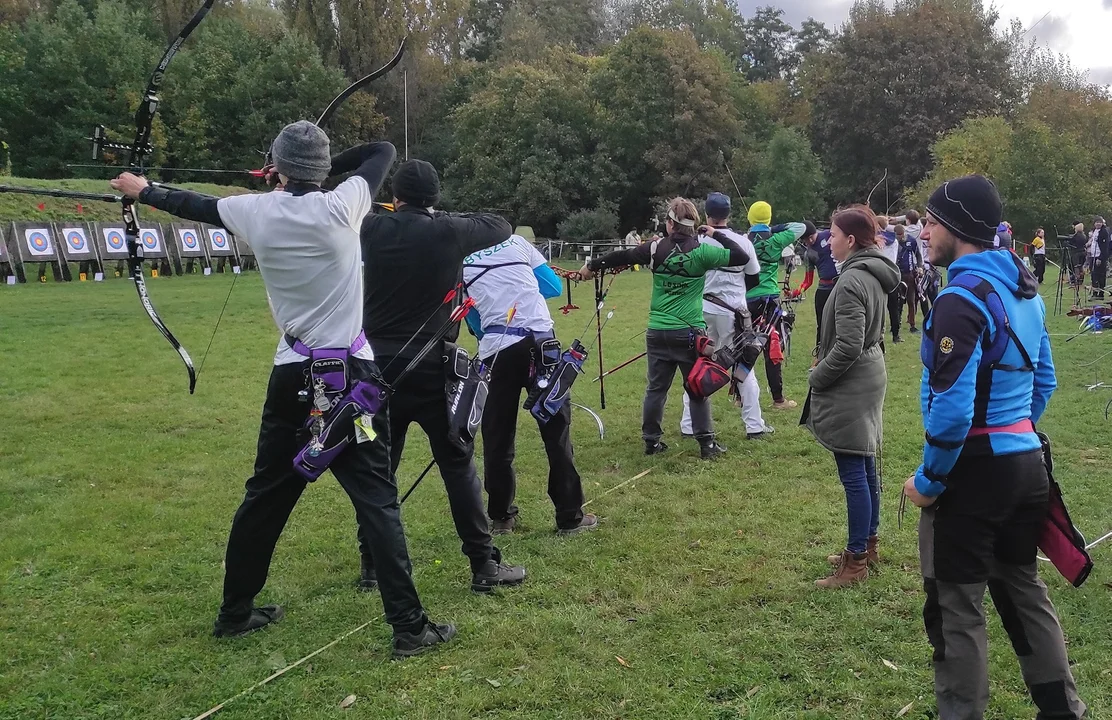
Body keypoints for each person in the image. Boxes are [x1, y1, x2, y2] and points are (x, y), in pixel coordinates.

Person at [109, 122, 454, 656]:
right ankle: (409, 628)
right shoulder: (344, 203)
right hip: (350, 380)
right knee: (377, 502)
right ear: (320, 170)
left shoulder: (254, 211)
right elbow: (383, 151)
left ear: (278, 167)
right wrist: (323, 168)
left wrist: (142, 191)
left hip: (291, 375)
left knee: (266, 496)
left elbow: (192, 204)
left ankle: (235, 612)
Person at [903, 174, 1086, 720]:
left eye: (932, 220)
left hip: (972, 476)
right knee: (1022, 589)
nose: (925, 231)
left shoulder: (961, 298)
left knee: (955, 609)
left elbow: (954, 412)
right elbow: (1044, 380)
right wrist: (1013, 431)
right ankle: (1064, 710)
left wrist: (929, 480)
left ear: (956, 226)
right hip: (1025, 465)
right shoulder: (1021, 289)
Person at [356, 159, 526, 594]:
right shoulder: (447, 230)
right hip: (432, 366)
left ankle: (372, 563)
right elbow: (500, 223)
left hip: (377, 367)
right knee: (457, 465)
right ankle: (484, 565)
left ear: (396, 197)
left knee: (379, 469)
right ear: (434, 199)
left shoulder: (370, 228)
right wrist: (438, 217)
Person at [577, 197, 752, 459]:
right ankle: (707, 445)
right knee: (696, 389)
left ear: (670, 224)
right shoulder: (703, 252)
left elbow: (621, 256)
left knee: (656, 389)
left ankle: (651, 441)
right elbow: (742, 256)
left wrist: (591, 266)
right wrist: (716, 233)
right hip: (690, 333)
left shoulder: (654, 249)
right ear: (693, 226)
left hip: (658, 332)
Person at [461, 234, 597, 536]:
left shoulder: (463, 260)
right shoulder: (517, 243)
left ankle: (501, 517)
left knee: (498, 435)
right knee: (557, 432)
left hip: (497, 350)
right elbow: (553, 286)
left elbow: (473, 320)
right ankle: (570, 517)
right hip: (540, 344)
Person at [803, 205, 899, 589]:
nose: (828, 240)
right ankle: (867, 544)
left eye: (833, 233)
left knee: (855, 474)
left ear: (852, 240)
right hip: (870, 371)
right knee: (865, 465)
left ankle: (856, 560)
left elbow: (847, 346)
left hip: (853, 379)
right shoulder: (871, 271)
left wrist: (817, 378)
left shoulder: (851, 281)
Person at [679, 192, 774, 440]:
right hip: (733, 313)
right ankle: (754, 426)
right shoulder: (743, 242)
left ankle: (689, 425)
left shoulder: (697, 242)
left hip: (701, 311)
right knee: (744, 367)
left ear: (706, 214)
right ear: (728, 214)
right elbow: (753, 278)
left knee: (696, 365)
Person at [744, 200, 811, 409]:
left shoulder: (744, 240)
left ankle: (739, 395)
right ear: (769, 218)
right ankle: (778, 399)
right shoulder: (775, 238)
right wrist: (771, 229)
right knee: (772, 346)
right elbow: (802, 227)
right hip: (769, 300)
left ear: (750, 218)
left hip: (746, 298)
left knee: (744, 345)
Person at [791, 227, 839, 364]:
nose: (810, 240)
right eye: (806, 239)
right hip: (824, 289)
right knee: (822, 324)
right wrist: (795, 292)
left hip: (841, 285)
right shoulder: (809, 253)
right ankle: (820, 354)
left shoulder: (830, 235)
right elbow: (808, 281)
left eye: (811, 236)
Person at [876, 216, 904, 343]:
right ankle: (895, 335)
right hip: (892, 274)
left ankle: (877, 334)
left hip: (879, 273)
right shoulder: (894, 239)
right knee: (893, 307)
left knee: (878, 307)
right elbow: (897, 228)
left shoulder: (876, 239)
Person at [896, 223, 924, 335]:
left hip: (910, 274)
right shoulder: (893, 242)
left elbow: (918, 255)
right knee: (898, 301)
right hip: (897, 274)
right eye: (898, 235)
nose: (900, 237)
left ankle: (912, 325)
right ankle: (896, 325)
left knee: (911, 301)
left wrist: (920, 267)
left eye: (901, 234)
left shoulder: (911, 240)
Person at [1088, 216, 1108, 298]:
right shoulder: (1094, 231)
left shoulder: (1104, 232)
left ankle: (1101, 293)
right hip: (1093, 255)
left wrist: (1100, 257)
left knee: (1100, 275)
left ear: (1102, 223)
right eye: (1096, 222)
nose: (1098, 224)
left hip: (1099, 256)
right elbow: (1092, 241)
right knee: (1093, 275)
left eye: (1099, 222)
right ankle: (1095, 292)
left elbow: (1105, 246)